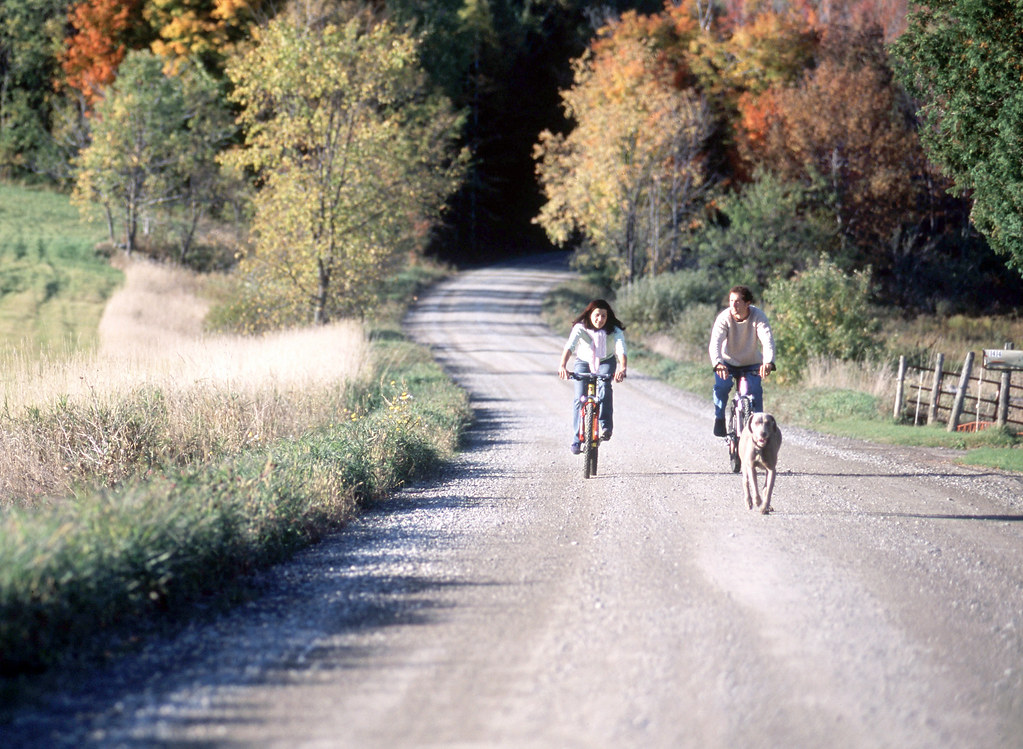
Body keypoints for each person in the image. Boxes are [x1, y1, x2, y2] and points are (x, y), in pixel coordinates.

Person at [558, 299, 627, 454]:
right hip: (583, 362)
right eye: (597, 315)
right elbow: (570, 346)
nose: (600, 319)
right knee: (579, 398)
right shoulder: (580, 327)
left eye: (604, 316)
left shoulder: (614, 329)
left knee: (605, 387)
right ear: (589, 315)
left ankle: (605, 427)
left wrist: (622, 368)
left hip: (606, 361)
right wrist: (562, 366)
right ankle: (576, 440)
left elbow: (621, 349)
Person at [708, 285, 775, 437]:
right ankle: (719, 418)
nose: (733, 305)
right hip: (726, 363)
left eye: (738, 301)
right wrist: (718, 363)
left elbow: (767, 340)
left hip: (751, 362)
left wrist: (768, 361)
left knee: (755, 391)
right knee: (722, 386)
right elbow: (715, 343)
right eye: (731, 301)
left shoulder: (758, 316)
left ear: (747, 303)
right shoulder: (724, 318)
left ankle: (758, 430)